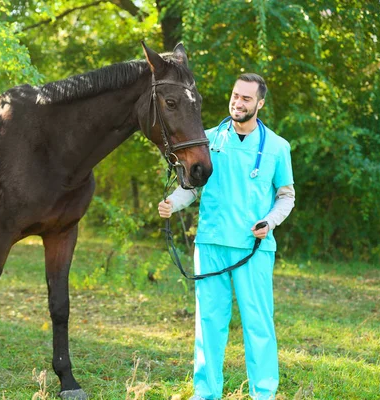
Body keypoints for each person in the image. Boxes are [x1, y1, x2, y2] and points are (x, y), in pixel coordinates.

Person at [158, 73, 295, 400]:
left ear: (259, 103)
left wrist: (270, 221)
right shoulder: (207, 140)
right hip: (211, 245)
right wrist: (172, 203)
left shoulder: (277, 147)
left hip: (254, 247)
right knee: (208, 326)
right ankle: (205, 394)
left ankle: (264, 394)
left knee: (259, 326)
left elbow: (286, 195)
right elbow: (191, 186)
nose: (238, 102)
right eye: (236, 95)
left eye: (247, 98)